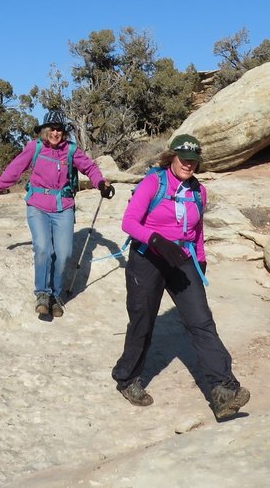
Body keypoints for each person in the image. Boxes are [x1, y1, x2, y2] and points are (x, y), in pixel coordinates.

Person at [111, 134, 250, 421]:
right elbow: (128, 222)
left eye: (194, 161)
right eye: (184, 159)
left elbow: (197, 231)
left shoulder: (199, 192)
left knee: (202, 322)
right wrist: (156, 240)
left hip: (182, 259)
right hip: (148, 258)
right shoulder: (153, 182)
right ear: (171, 157)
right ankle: (127, 378)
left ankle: (223, 390)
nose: (189, 165)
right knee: (143, 320)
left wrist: (200, 260)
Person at [0, 110, 115, 318]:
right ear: (45, 131)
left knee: (63, 254)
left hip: (63, 206)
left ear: (64, 132)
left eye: (59, 130)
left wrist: (101, 183)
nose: (55, 133)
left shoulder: (71, 151)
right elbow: (15, 169)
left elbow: (90, 168)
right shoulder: (34, 148)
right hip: (37, 205)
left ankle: (56, 295)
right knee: (43, 247)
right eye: (52, 129)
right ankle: (43, 295)